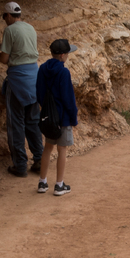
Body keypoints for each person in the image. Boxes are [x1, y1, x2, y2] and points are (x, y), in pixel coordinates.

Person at [0, 2, 43, 178]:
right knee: (33, 122)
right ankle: (39, 160)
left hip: (18, 82)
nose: (4, 20)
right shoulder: (30, 28)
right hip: (34, 79)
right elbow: (17, 47)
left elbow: (5, 58)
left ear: (8, 16)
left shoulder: (9, 30)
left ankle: (20, 165)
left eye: (4, 17)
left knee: (16, 124)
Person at [36, 40, 78, 197]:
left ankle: (42, 181)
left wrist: (46, 109)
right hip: (63, 118)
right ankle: (59, 185)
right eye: (67, 53)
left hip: (48, 115)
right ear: (62, 55)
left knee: (48, 147)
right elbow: (68, 99)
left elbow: (39, 93)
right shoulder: (64, 72)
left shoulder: (42, 69)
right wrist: (73, 117)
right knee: (62, 149)